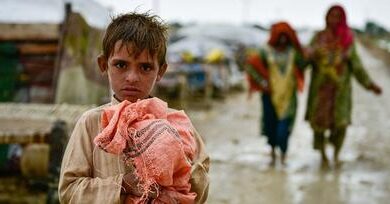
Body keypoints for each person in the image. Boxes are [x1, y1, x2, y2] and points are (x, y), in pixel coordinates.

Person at [58, 12, 210, 203]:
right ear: (104, 65)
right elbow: (68, 191)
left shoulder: (176, 124)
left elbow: (200, 190)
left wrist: (178, 168)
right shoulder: (92, 123)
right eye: (121, 65)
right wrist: (122, 185)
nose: (132, 77)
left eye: (145, 67)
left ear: (160, 71)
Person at [305, 5, 382, 168]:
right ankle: (323, 156)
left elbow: (357, 66)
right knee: (319, 125)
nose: (334, 19)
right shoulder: (318, 38)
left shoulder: (347, 39)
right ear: (326, 17)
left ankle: (336, 154)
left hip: (340, 92)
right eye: (331, 16)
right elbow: (304, 61)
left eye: (337, 16)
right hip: (320, 92)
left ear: (343, 19)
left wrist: (370, 85)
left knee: (340, 125)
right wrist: (309, 54)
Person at [245, 22, 306, 166]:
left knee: (284, 130)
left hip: (289, 97)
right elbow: (251, 66)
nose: (283, 40)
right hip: (270, 96)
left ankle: (283, 156)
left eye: (286, 36)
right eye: (280, 36)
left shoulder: (294, 52)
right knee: (271, 126)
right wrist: (263, 83)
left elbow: (304, 64)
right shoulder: (265, 51)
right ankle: (273, 154)